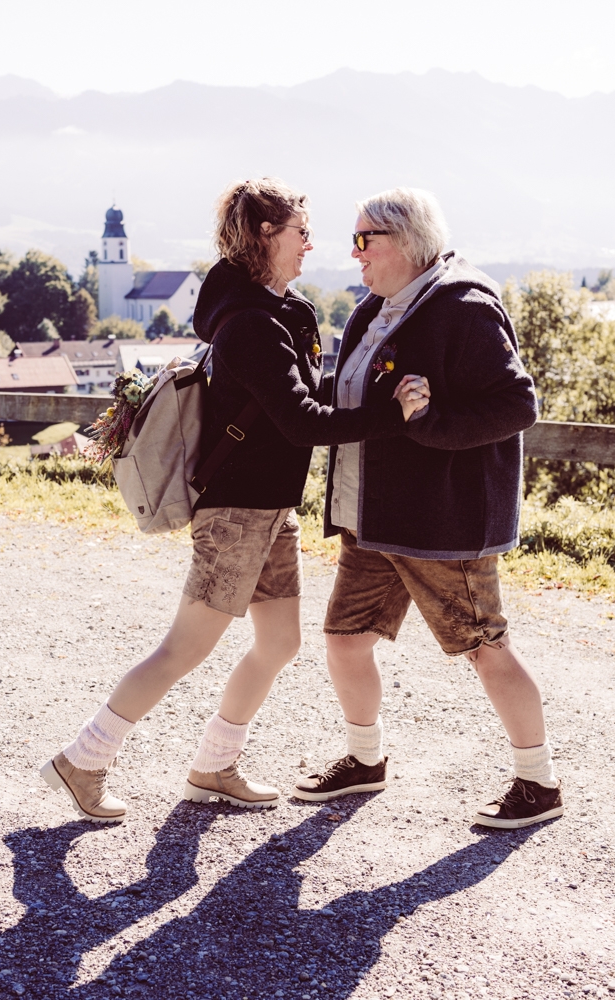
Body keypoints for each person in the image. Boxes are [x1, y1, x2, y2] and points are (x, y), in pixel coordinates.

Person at [43, 178, 431, 823]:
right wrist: (393, 417)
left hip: (272, 509)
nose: (311, 244)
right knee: (183, 649)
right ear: (264, 236)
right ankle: (84, 760)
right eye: (300, 233)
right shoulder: (249, 325)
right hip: (233, 514)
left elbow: (313, 390)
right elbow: (303, 421)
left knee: (278, 643)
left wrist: (377, 384)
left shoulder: (289, 312)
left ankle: (214, 766)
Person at [292, 187, 563, 830]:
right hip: (375, 517)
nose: (352, 252)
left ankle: (539, 783)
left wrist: (433, 424)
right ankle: (365, 762)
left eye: (364, 240)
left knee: (484, 648)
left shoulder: (464, 307)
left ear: (406, 243)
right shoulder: (377, 309)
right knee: (346, 640)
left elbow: (516, 405)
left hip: (442, 522)